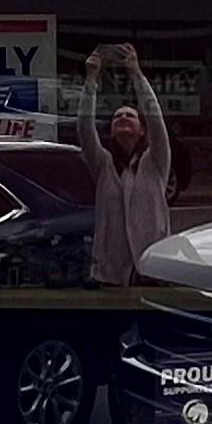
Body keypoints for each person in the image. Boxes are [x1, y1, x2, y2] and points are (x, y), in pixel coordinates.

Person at [77, 42, 174, 287]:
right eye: (117, 116)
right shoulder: (103, 165)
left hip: (152, 269)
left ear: (142, 130)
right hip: (111, 272)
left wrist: (135, 73)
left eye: (129, 115)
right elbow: (84, 128)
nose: (122, 118)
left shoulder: (155, 162)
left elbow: (155, 118)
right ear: (110, 129)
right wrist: (91, 78)